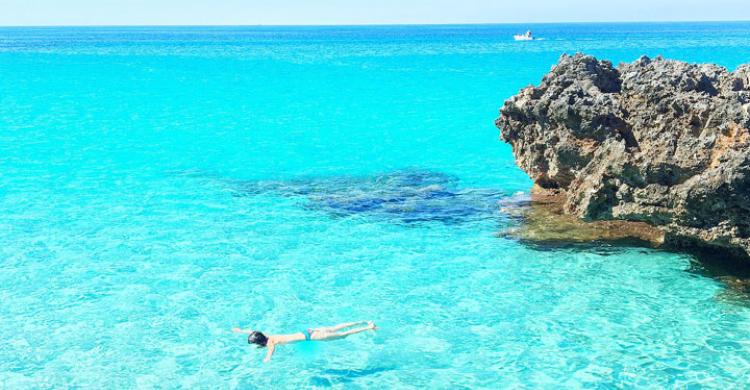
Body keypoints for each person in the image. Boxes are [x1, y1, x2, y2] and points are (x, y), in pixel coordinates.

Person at [232, 321, 378, 362]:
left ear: (260, 342)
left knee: (343, 335)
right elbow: (254, 331)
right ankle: (364, 321)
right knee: (334, 328)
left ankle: (368, 328)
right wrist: (241, 331)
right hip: (307, 331)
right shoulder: (268, 336)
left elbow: (271, 350)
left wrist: (267, 358)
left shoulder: (270, 343)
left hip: (311, 337)